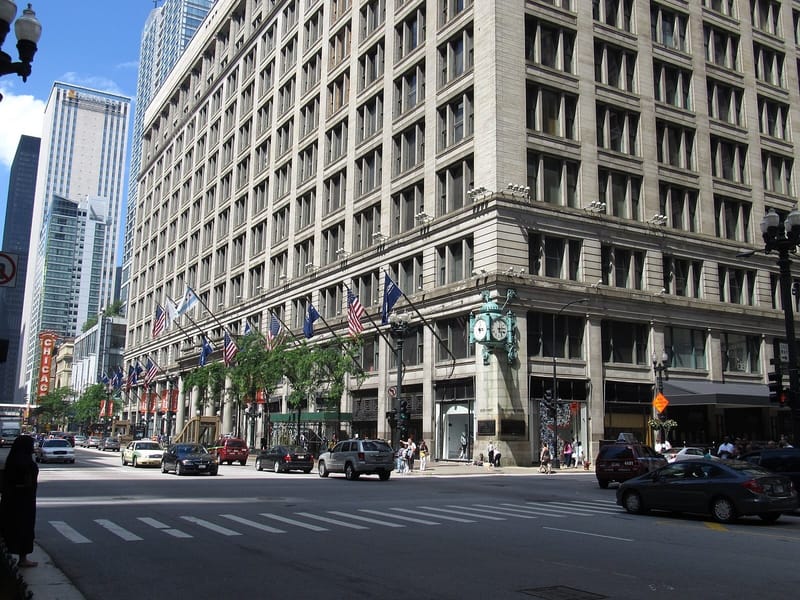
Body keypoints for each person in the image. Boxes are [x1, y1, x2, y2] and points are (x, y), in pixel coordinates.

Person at [0, 435, 39, 568]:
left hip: (9, 501)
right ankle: (23, 558)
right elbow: (28, 483)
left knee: (8, 528)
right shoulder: (25, 463)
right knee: (24, 529)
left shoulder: (11, 460)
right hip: (24, 502)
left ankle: (6, 555)